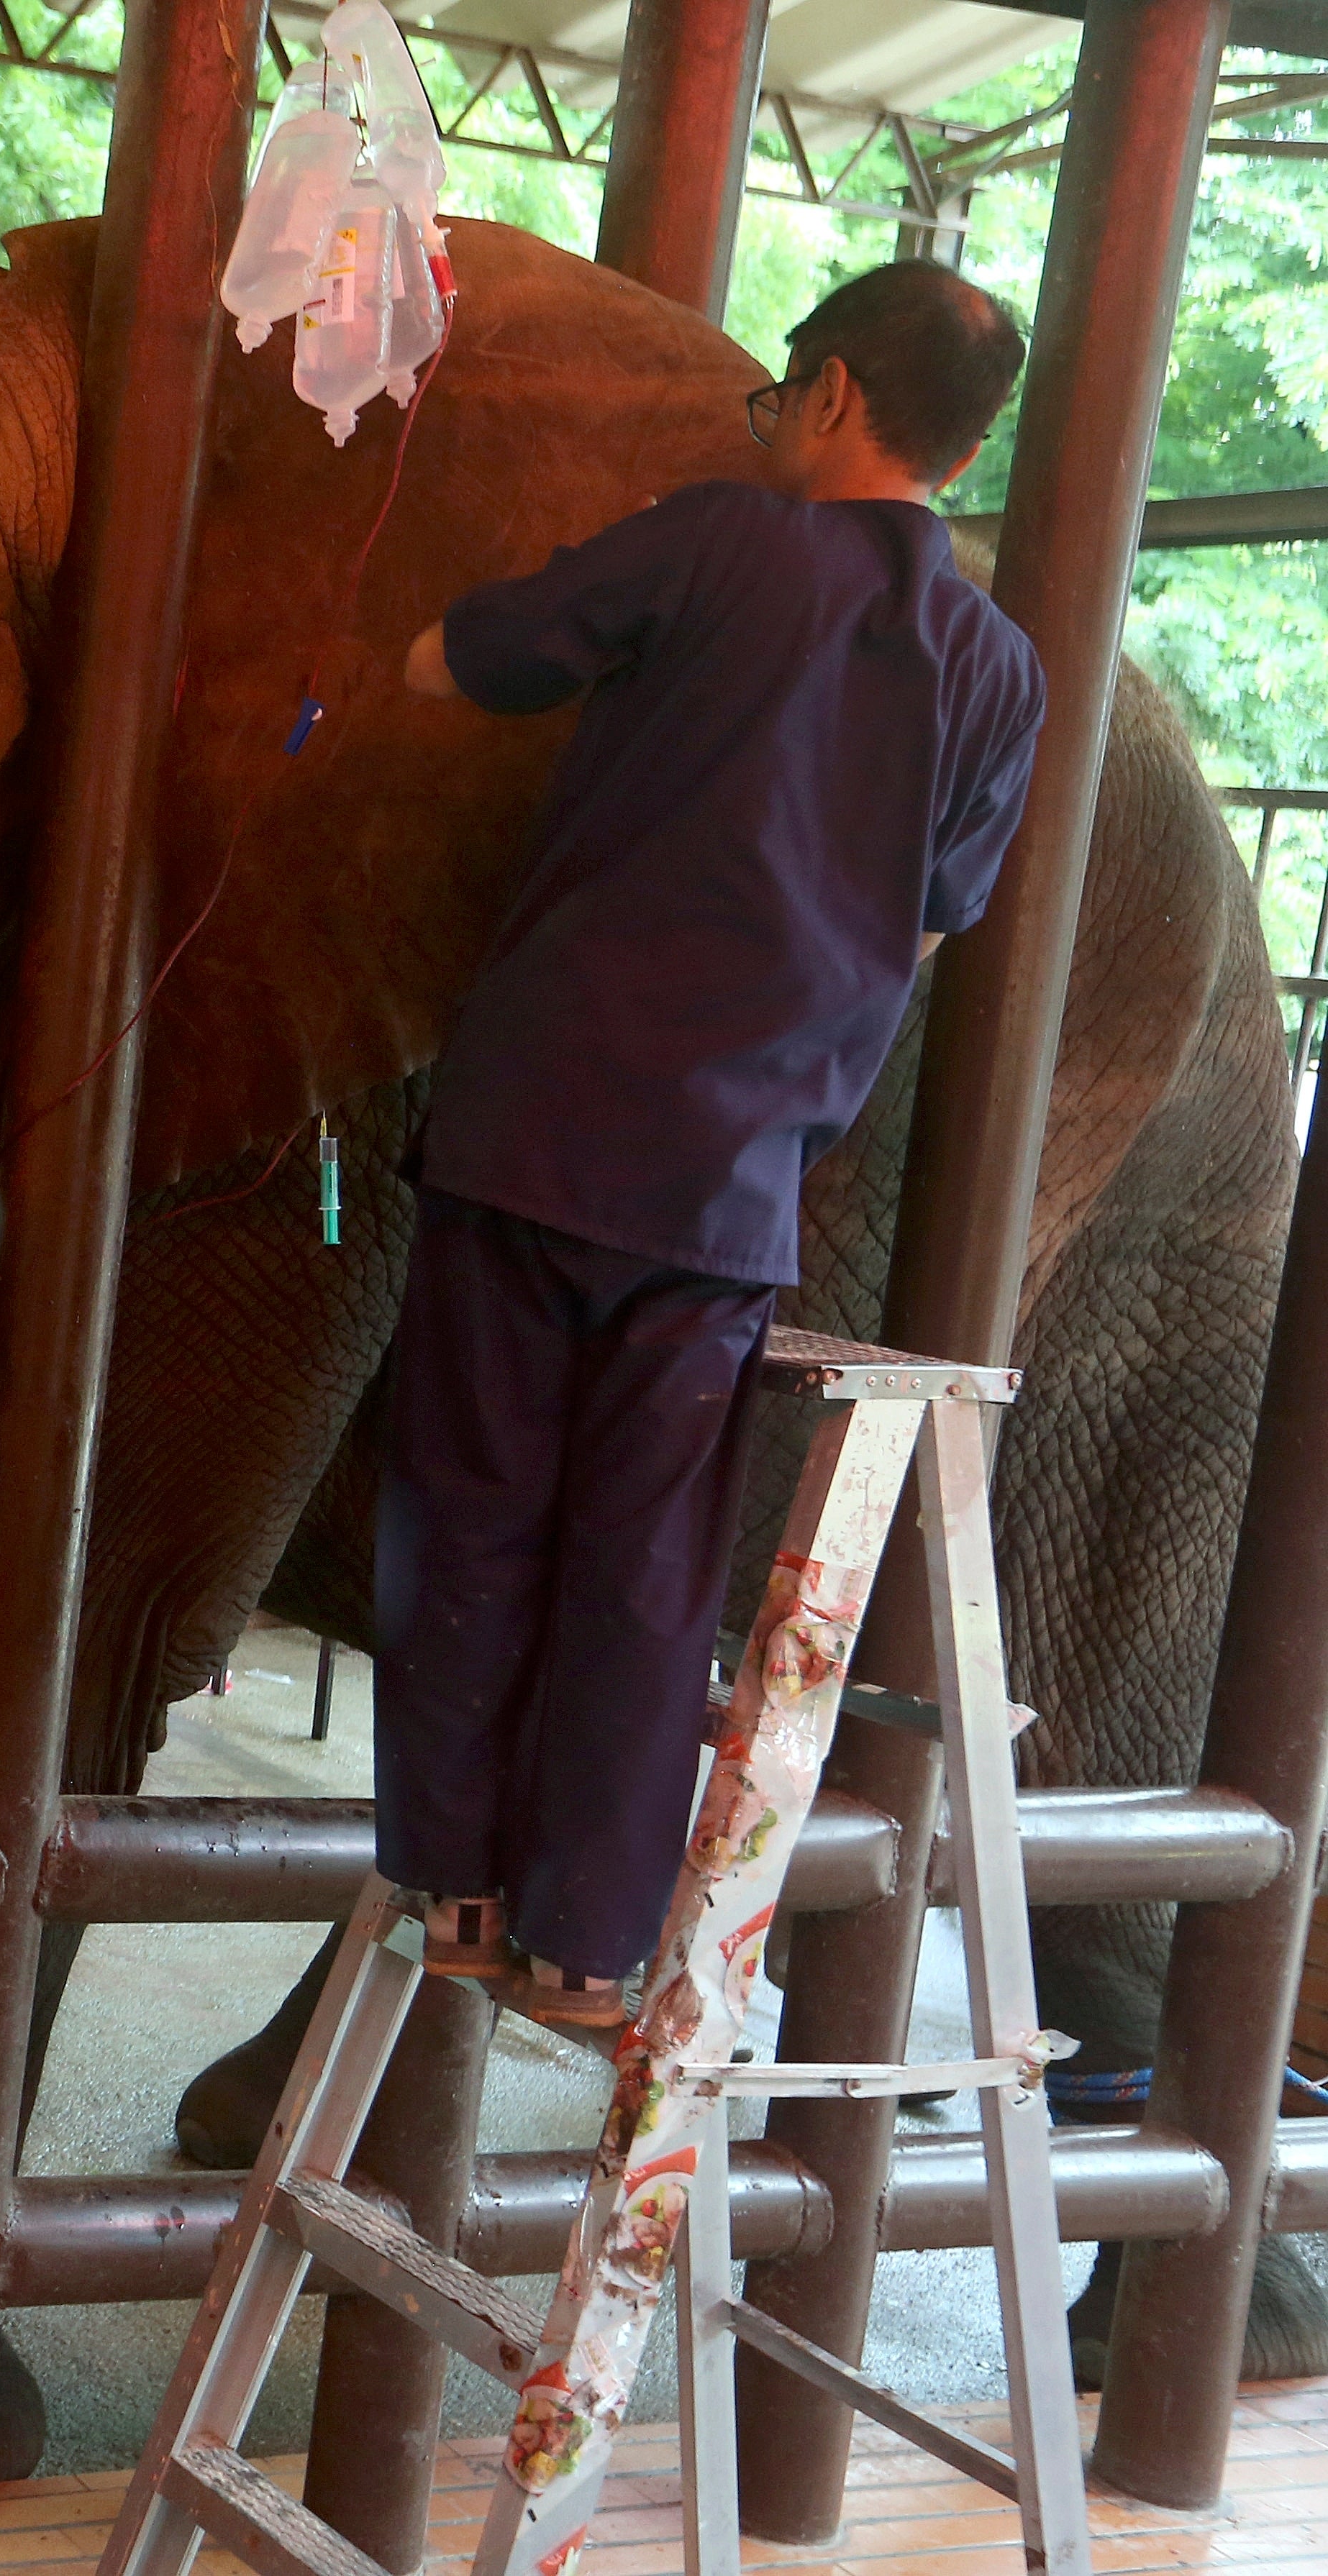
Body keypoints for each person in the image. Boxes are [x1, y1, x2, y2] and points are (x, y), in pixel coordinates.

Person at [377, 259, 1046, 2022]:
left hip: (533, 1126)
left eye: (777, 401)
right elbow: (914, 929)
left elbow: (455, 660)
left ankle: (450, 1885)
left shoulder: (705, 543)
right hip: (735, 1180)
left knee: (472, 1506)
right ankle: (584, 1938)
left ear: (823, 395)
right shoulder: (996, 671)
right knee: (647, 1562)